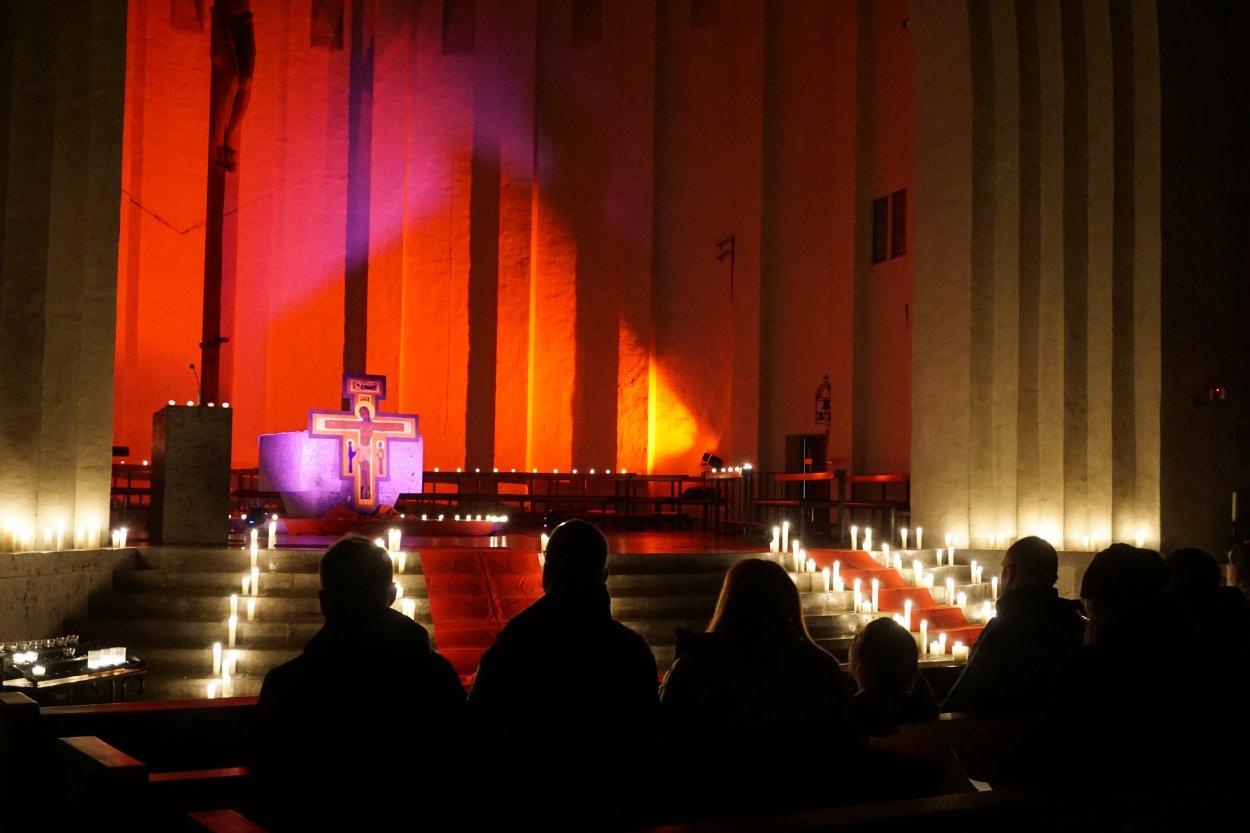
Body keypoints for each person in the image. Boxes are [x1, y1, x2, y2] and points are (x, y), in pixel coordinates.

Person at [253, 535, 465, 832]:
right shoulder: (436, 675)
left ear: (324, 601)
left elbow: (271, 786)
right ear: (391, 595)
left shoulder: (289, 685)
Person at [468, 520, 658, 831]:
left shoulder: (515, 649)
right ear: (604, 574)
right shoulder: (630, 651)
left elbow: (479, 736)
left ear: (547, 571)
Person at [659, 558, 862, 820]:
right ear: (788, 606)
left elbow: (670, 743)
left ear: (730, 604)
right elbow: (847, 744)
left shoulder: (696, 668)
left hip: (716, 808)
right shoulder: (819, 669)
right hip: (807, 806)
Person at [941, 536, 1084, 714]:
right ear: (1054, 579)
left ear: (1009, 573)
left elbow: (964, 696)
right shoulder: (1076, 623)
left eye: (1003, 569)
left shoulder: (1003, 630)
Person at [849, 617, 938, 736]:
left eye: (857, 639)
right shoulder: (923, 701)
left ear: (865, 662)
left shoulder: (855, 714)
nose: (851, 644)